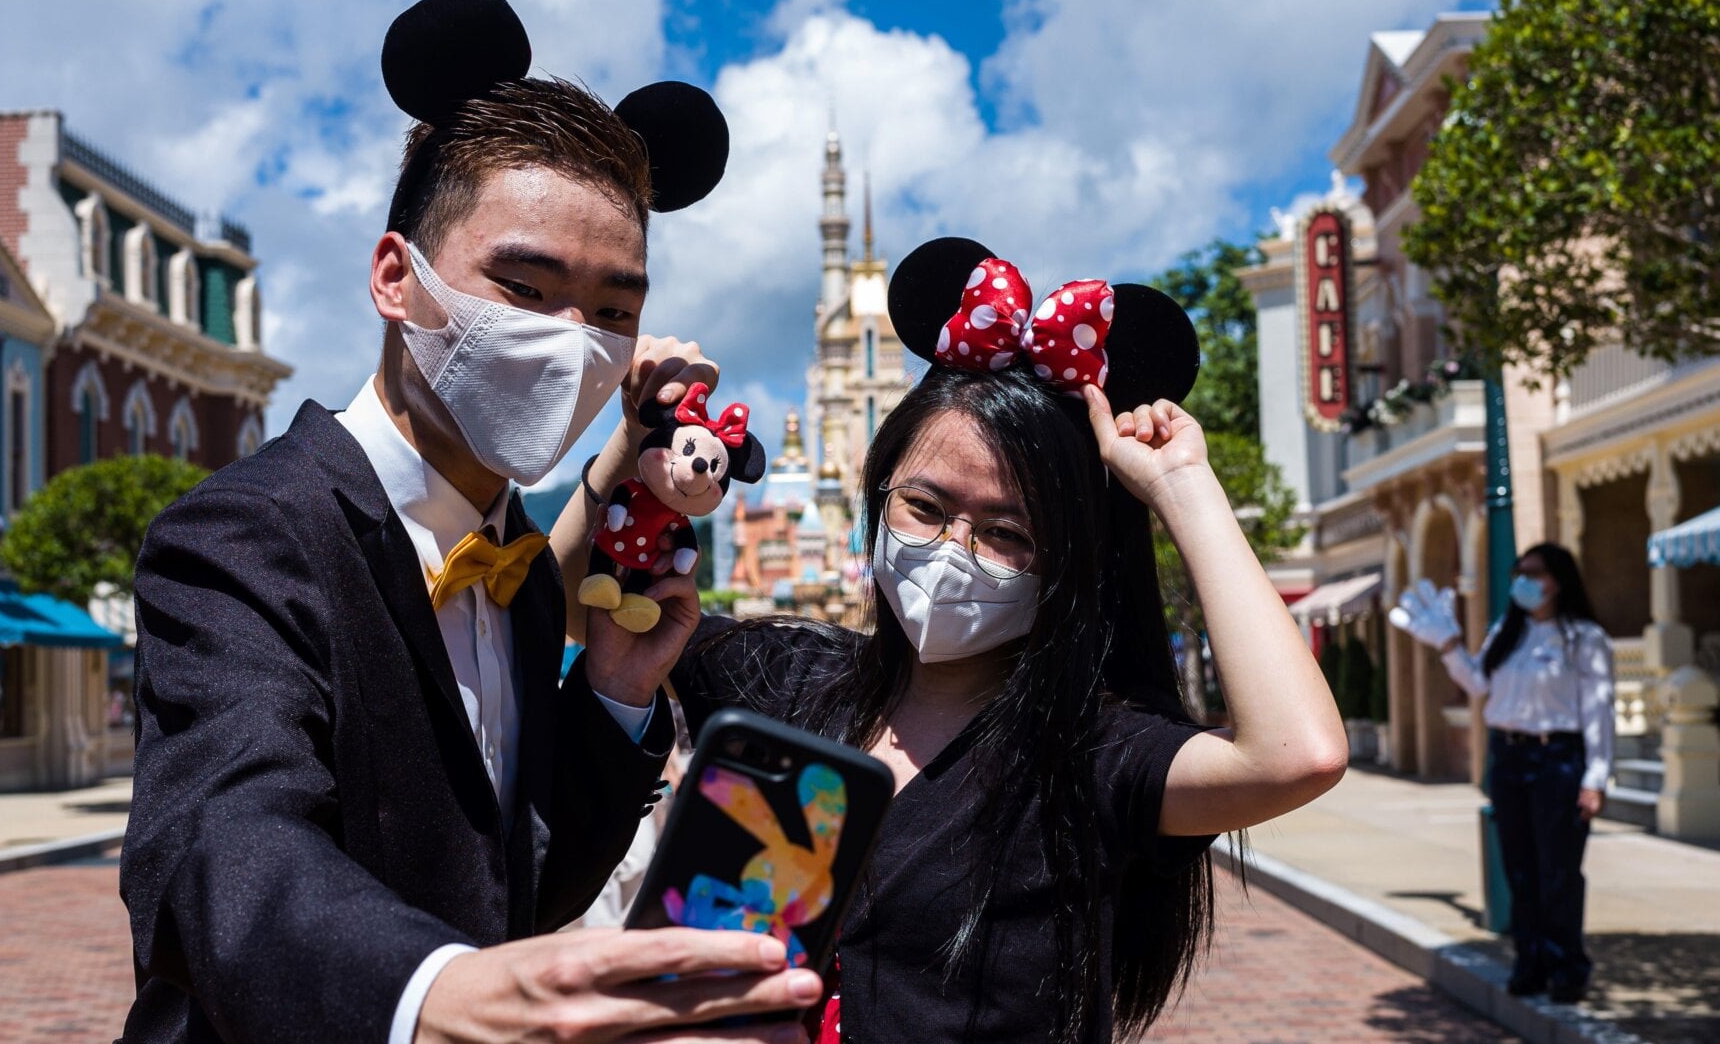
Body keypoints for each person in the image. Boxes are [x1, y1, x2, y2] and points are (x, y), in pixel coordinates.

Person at [119, 0, 821, 1044]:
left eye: (614, 311)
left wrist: (617, 694)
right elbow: (226, 850)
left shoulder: (520, 569)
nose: (572, 339)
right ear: (395, 277)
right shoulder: (246, 534)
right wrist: (434, 999)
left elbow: (515, 884)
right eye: (525, 289)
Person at [555, 239, 1350, 1041]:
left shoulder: (1090, 753)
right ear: (879, 498)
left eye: (1007, 533)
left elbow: (1296, 755)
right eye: (925, 509)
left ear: (1069, 561)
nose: (952, 551)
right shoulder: (793, 680)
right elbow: (569, 605)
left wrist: (1182, 488)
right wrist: (636, 435)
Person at [1390, 543, 1614, 1003]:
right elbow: (1477, 683)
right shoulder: (1506, 631)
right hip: (1510, 757)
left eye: (1535, 573)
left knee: (1558, 871)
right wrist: (1449, 645)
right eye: (1519, 573)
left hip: (1558, 758)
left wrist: (1596, 777)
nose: (1524, 582)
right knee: (1520, 868)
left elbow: (1599, 711)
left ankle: (1567, 967)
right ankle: (1529, 962)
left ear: (1558, 580)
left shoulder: (1583, 637)